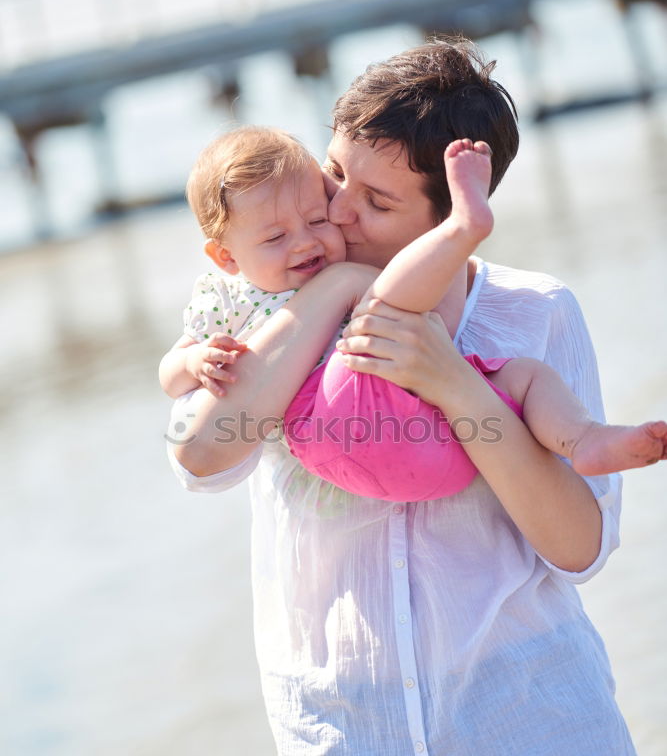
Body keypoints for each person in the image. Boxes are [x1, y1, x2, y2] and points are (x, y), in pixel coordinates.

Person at [165, 38, 654, 756]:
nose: (335, 212)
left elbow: (577, 549)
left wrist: (453, 382)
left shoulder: (529, 313)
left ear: (445, 215)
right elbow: (202, 452)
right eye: (337, 174)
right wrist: (338, 289)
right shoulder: (276, 302)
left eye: (377, 202)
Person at [160, 127, 666, 501]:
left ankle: (582, 438)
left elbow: (432, 323)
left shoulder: (346, 265)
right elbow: (173, 376)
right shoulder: (220, 298)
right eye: (275, 238)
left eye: (317, 217)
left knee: (523, 378)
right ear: (225, 257)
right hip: (327, 420)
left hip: (428, 439)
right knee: (390, 303)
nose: (307, 241)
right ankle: (463, 228)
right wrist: (195, 361)